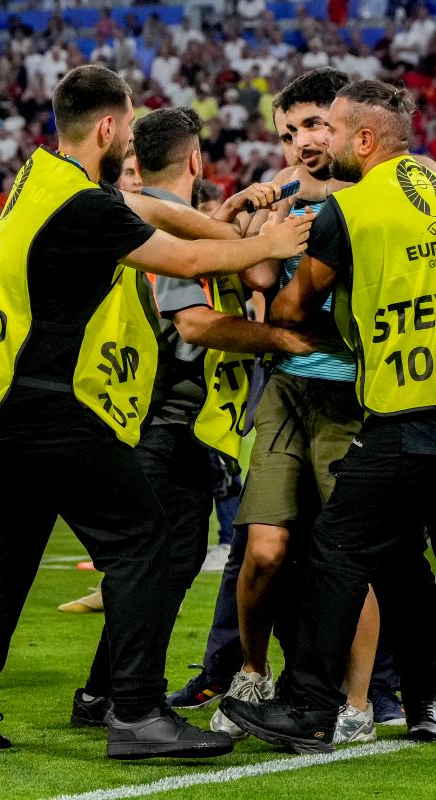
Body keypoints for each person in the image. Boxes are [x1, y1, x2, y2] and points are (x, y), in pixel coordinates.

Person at [0, 64, 312, 758]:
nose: (129, 145)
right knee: (146, 538)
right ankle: (134, 713)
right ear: (108, 127)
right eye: (127, 129)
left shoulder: (37, 180)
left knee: (7, 558)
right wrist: (267, 244)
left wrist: (222, 218)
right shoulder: (87, 207)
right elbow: (180, 255)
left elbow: (153, 212)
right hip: (41, 404)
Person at [66, 106, 318, 730]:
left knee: (157, 562)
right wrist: (278, 339)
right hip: (169, 421)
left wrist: (236, 214)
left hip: (159, 418)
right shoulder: (162, 236)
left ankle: (110, 691)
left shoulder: (162, 220)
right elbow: (196, 323)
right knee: (162, 564)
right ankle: (125, 696)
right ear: (197, 160)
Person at [221, 80, 436, 752]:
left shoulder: (352, 210)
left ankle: (309, 705)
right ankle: (427, 702)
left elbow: (285, 309)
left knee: (339, 550)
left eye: (334, 131)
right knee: (402, 563)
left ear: (363, 141)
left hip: (401, 409)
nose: (325, 144)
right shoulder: (431, 183)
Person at [208, 69, 383, 746]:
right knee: (265, 547)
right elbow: (254, 276)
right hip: (286, 385)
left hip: (355, 389)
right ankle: (253, 675)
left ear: (341, 124)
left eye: (312, 125)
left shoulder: (374, 195)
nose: (302, 142)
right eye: (289, 131)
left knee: (347, 554)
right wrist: (262, 219)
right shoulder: (280, 190)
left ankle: (359, 702)